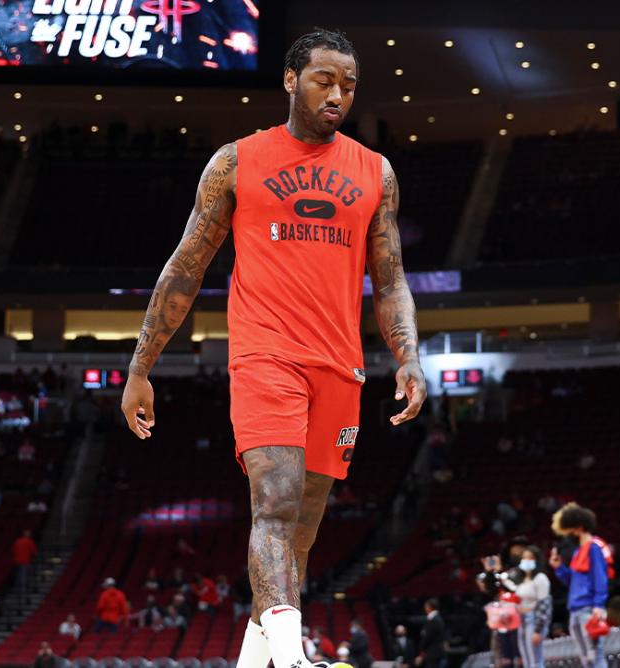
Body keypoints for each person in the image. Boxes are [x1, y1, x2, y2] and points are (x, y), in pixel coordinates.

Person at [119, 28, 426, 668]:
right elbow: (184, 268)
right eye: (324, 80)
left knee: (302, 531)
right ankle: (293, 659)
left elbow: (391, 278)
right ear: (290, 80)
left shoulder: (377, 172)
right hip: (266, 355)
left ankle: (256, 660)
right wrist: (141, 365)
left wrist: (408, 358)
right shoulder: (237, 161)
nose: (337, 94)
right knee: (276, 503)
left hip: (340, 364)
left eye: (348, 85)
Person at [550, 503, 612, 668]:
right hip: (575, 610)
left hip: (588, 609)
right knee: (586, 658)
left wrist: (599, 605)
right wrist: (559, 568)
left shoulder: (593, 548)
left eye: (571, 528)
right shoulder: (579, 551)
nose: (569, 533)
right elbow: (573, 581)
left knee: (596, 655)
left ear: (579, 526)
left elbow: (601, 578)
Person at [505, 547, 551, 668]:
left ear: (537, 560)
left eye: (530, 558)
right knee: (526, 661)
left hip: (534, 619)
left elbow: (545, 605)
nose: (526, 561)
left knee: (535, 661)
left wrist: (538, 630)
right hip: (522, 620)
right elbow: (509, 584)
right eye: (524, 558)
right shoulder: (522, 580)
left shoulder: (540, 578)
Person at [417, 599, 446, 668]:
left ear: (429, 607)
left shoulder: (433, 620)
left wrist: (421, 649)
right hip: (436, 652)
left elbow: (427, 637)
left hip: (432, 653)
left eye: (425, 606)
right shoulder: (438, 618)